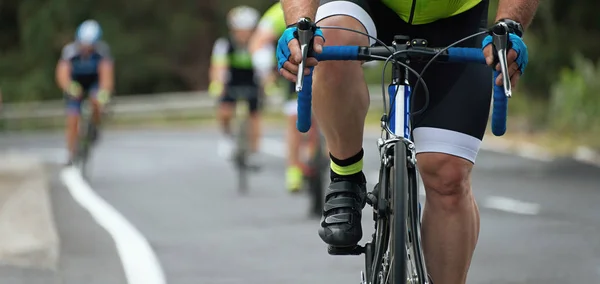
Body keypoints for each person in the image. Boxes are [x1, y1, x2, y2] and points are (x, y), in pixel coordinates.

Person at [276, 0, 535, 283]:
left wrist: (511, 25)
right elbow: (305, 25)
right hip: (363, 5)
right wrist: (298, 23)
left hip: (454, 15)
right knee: (327, 45)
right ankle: (345, 176)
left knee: (448, 177)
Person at [249, 1, 322, 193]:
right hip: (299, 66)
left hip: (328, 66)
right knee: (293, 119)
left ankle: (331, 164)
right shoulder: (281, 11)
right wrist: (266, 73)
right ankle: (293, 169)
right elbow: (258, 42)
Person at [209, 6, 263, 165]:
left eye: (247, 30)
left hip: (251, 80)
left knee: (255, 115)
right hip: (231, 80)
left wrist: (267, 84)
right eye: (240, 30)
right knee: (225, 110)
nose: (243, 34)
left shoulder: (258, 44)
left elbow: (265, 67)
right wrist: (217, 84)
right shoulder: (224, 44)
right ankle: (226, 136)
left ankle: (254, 150)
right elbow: (218, 66)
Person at [56, 19, 114, 166]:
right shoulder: (70, 52)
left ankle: (95, 125)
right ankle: (71, 153)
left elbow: (106, 75)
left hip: (94, 82)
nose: (86, 48)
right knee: (72, 119)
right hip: (76, 83)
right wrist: (69, 86)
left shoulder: (102, 51)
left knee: (97, 100)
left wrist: (104, 93)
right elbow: (62, 73)